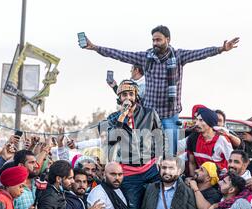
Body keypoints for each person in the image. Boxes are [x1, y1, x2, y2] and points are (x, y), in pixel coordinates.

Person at [82, 25, 239, 155]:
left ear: (168, 40)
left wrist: (221, 49)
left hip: (170, 115)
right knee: (146, 152)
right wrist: (95, 48)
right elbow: (120, 55)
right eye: (153, 40)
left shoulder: (178, 56)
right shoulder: (146, 57)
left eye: (158, 40)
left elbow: (200, 53)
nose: (155, 43)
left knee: (171, 153)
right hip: (149, 114)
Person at [105, 79, 163, 209]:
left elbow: (160, 137)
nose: (128, 97)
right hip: (129, 173)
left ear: (136, 96)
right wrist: (121, 118)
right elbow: (112, 141)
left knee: (158, 207)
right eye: (124, 95)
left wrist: (161, 158)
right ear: (119, 98)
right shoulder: (113, 118)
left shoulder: (149, 113)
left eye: (131, 94)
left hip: (151, 169)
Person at [187, 108, 233, 173]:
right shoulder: (193, 138)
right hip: (202, 176)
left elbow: (232, 163)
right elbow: (192, 163)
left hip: (220, 177)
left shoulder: (222, 140)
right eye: (197, 120)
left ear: (210, 122)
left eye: (201, 120)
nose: (197, 124)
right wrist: (193, 178)